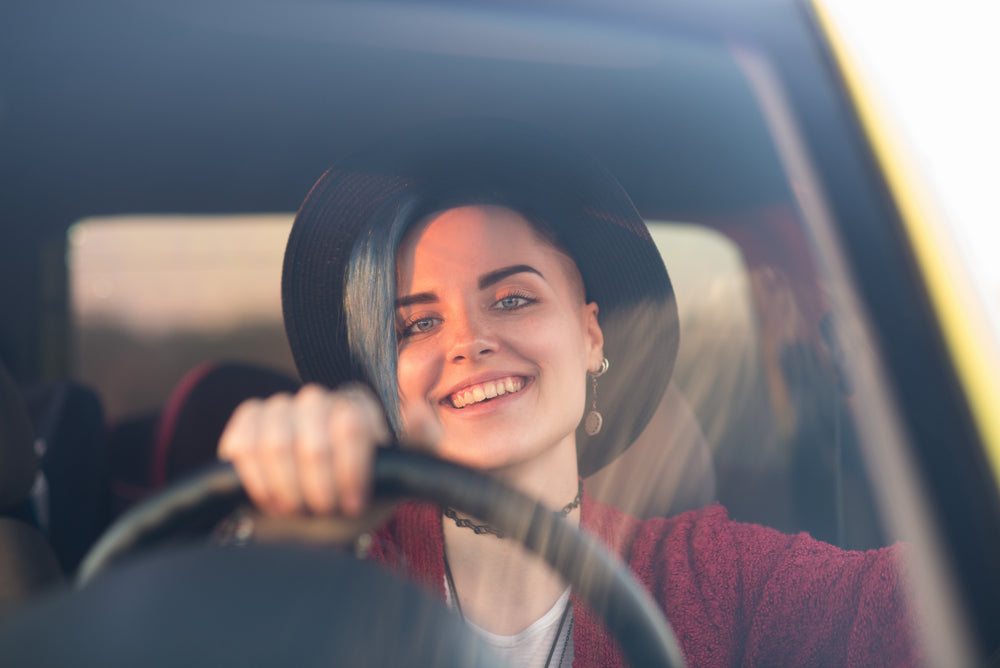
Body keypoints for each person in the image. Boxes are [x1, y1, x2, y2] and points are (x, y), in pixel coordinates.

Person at [218, 121, 917, 666]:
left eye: (514, 299)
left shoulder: (710, 578)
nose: (468, 342)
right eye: (419, 324)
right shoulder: (339, 564)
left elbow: (918, 613)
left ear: (591, 337)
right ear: (384, 380)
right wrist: (284, 558)